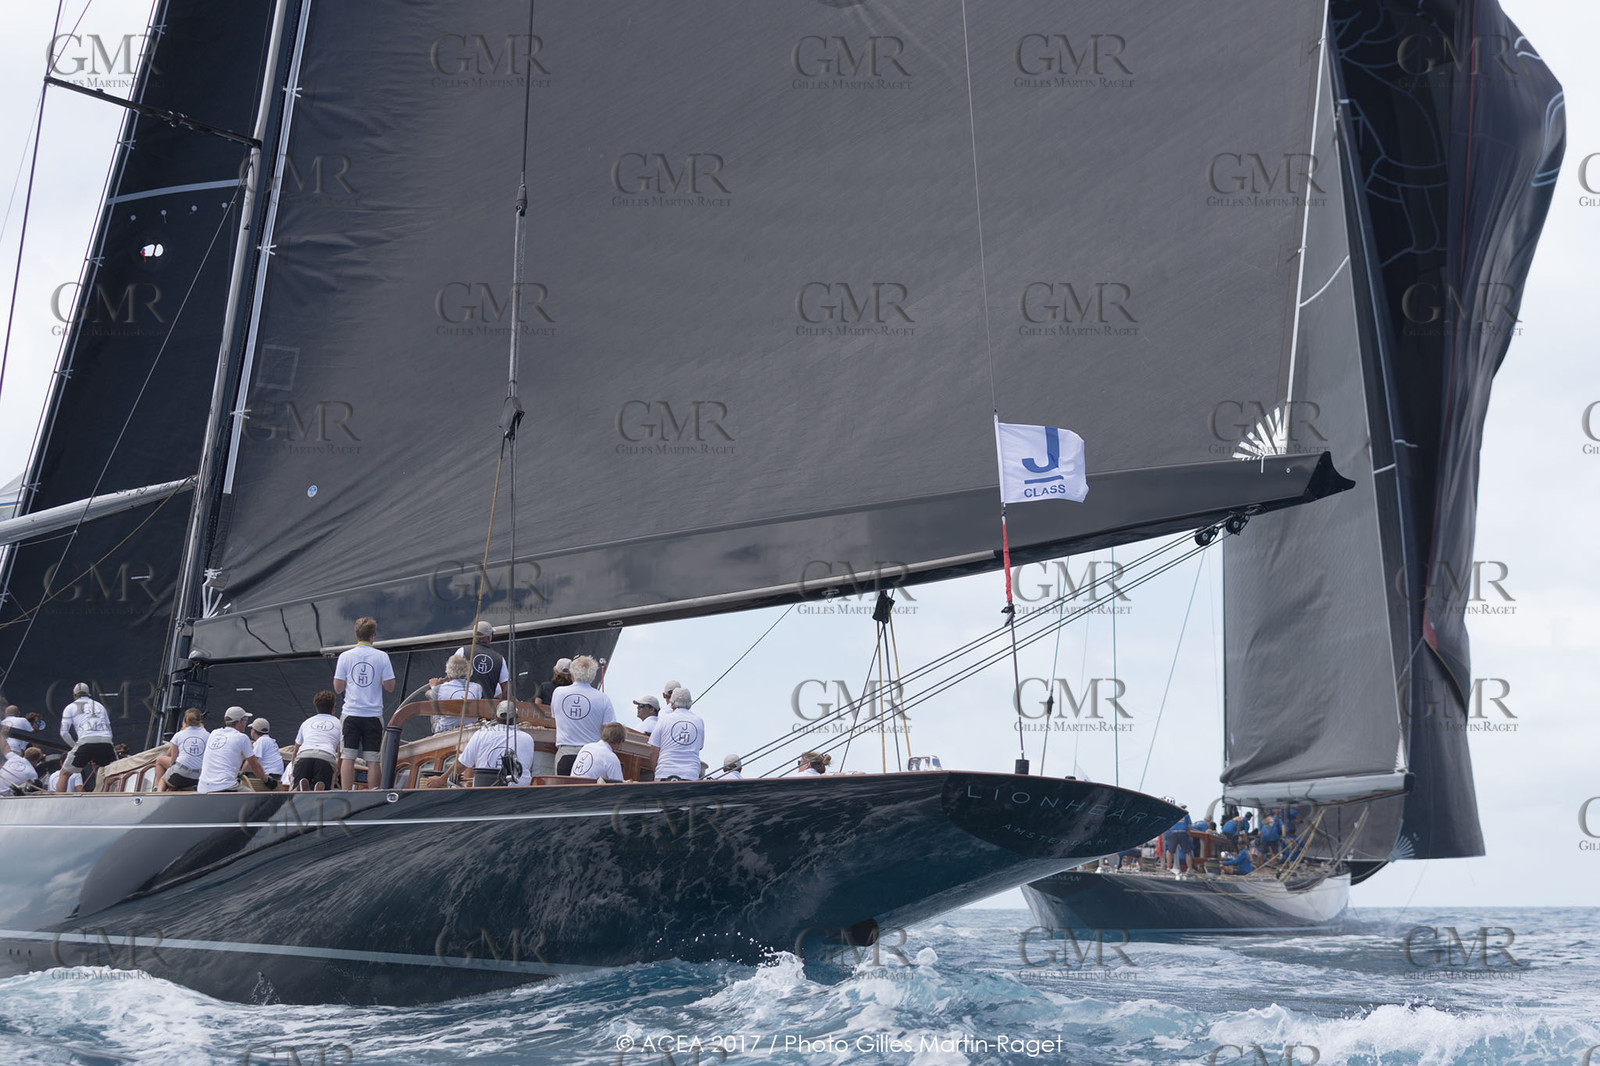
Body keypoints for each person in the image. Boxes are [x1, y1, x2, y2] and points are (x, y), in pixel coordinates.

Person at [333, 616, 395, 790]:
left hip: (351, 714)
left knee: (348, 757)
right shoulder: (382, 657)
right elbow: (390, 687)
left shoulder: (345, 657)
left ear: (356, 635)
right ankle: (373, 794)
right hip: (373, 715)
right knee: (373, 759)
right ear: (373, 635)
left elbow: (338, 688)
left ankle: (345, 793)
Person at [550, 655, 615, 775]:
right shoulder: (603, 698)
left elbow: (555, 720)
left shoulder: (558, 693)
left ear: (572, 673)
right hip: (592, 754)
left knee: (562, 790)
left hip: (566, 752)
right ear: (593, 675)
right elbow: (609, 730)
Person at [459, 702, 535, 786]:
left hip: (483, 792)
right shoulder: (527, 739)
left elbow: (461, 765)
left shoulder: (480, 734)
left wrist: (444, 779)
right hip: (518, 794)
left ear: (496, 717)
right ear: (516, 717)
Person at [58, 683, 115, 793]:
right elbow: (109, 730)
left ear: (74, 695)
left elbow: (64, 733)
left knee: (64, 774)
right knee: (111, 772)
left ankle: (57, 801)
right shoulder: (100, 706)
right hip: (106, 741)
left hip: (86, 741)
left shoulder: (70, 707)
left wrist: (75, 747)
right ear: (88, 694)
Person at [198, 707, 265, 793]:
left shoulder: (214, 733)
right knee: (254, 798)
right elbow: (254, 766)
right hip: (225, 786)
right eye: (245, 720)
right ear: (239, 721)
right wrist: (266, 780)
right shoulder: (242, 738)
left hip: (203, 788)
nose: (246, 723)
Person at [650, 687, 704, 781]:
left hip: (664, 773)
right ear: (690, 703)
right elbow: (699, 747)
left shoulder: (663, 720)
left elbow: (653, 751)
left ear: (672, 703)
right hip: (690, 775)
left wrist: (657, 771)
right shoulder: (699, 721)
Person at [447, 620, 509, 700]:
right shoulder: (500, 659)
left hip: (463, 706)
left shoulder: (462, 651)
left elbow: (450, 676)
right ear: (488, 637)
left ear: (474, 636)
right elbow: (506, 688)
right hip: (487, 709)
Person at [293, 690, 342, 791]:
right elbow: (341, 752)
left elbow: (296, 750)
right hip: (326, 756)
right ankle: (318, 791)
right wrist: (337, 772)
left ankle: (298, 790)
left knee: (293, 793)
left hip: (304, 755)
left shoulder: (306, 722)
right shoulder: (339, 723)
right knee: (325, 794)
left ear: (316, 707)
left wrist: (292, 770)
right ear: (333, 708)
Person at [427, 655, 484, 733]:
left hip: (444, 729)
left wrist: (433, 686)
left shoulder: (439, 689)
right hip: (470, 727)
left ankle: (436, 731)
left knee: (433, 700)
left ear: (449, 673)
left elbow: (428, 694)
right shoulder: (477, 688)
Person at [157, 708, 209, 792]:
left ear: (185, 720)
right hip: (198, 776)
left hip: (181, 772)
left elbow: (172, 760)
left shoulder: (179, 735)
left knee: (162, 779)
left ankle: (156, 792)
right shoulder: (207, 735)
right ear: (200, 720)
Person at [250, 718, 284, 790]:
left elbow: (252, 760)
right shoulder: (271, 741)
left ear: (253, 731)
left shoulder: (261, 741)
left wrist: (242, 772)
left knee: (244, 776)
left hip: (269, 776)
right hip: (277, 776)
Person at [1162, 804, 1193, 878]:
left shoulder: (1173, 813)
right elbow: (1189, 826)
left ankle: (1169, 867)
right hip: (1183, 833)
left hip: (1173, 833)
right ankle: (1189, 868)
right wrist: (1187, 833)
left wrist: (1171, 831)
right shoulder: (1186, 815)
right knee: (1187, 852)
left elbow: (1167, 824)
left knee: (1169, 850)